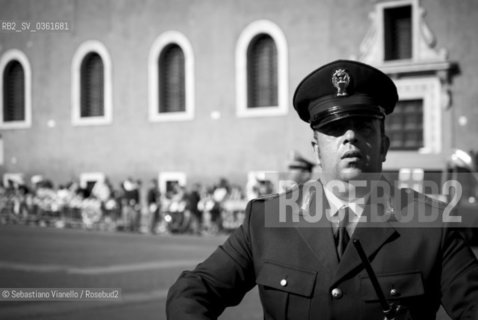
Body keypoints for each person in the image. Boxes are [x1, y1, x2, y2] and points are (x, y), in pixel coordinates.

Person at [166, 60, 478, 319]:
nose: (350, 136)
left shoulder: (432, 225)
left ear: (383, 146)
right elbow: (193, 291)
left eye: (364, 125)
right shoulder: (266, 220)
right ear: (316, 149)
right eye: (334, 127)